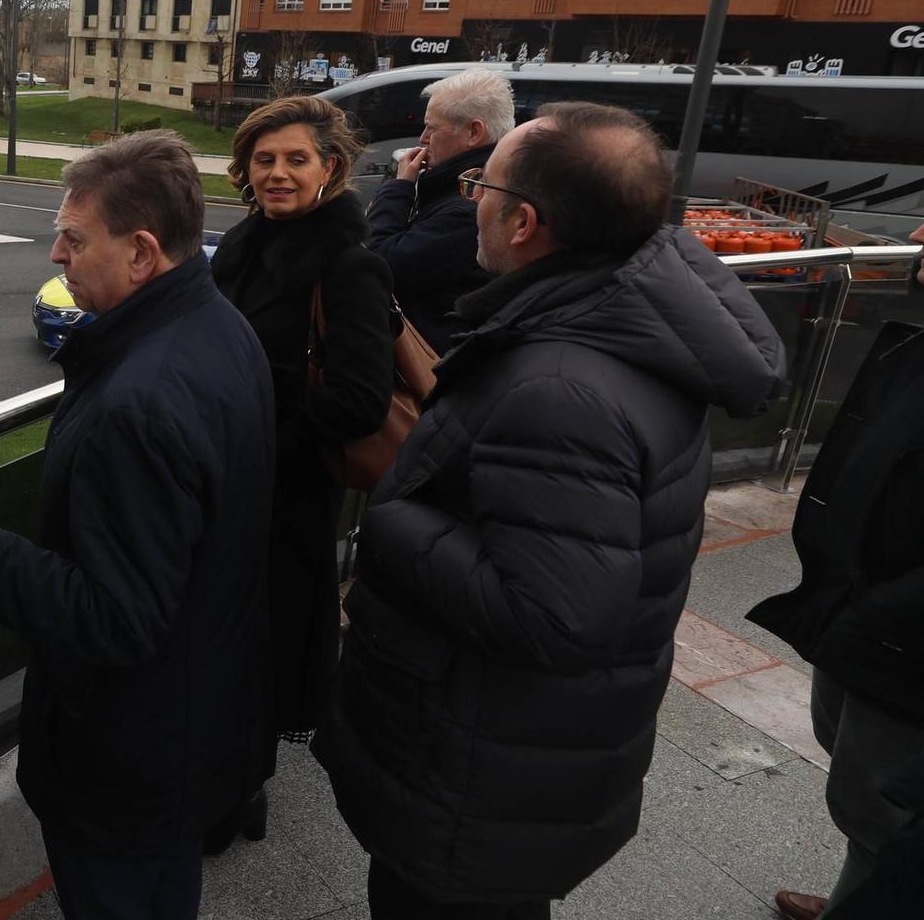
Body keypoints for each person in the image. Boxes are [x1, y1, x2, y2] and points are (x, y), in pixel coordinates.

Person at [316, 102, 788, 919]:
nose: (473, 200)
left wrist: (393, 516)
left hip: (479, 770)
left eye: (481, 184)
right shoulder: (619, 320)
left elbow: (556, 615)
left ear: (525, 221)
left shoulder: (561, 386)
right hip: (518, 757)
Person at [0, 130, 273, 920]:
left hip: (126, 761)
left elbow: (113, 618)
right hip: (193, 727)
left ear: (143, 252)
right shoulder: (221, 327)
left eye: (75, 238)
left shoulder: (140, 401)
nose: (55, 252)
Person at [208, 94, 394, 842]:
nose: (277, 173)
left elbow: (359, 400)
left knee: (262, 650)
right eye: (264, 159)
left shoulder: (350, 263)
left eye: (295, 159)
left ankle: (239, 791)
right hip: (225, 485)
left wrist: (254, 398)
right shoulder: (244, 242)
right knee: (220, 643)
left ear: (332, 168)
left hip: (285, 498)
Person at [750, 271, 924, 919]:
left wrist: (881, 618)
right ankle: (863, 880)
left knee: (880, 806)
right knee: (852, 766)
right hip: (865, 610)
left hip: (900, 637)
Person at [364, 66, 517, 353]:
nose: (422, 138)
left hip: (434, 361)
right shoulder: (476, 185)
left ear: (474, 132)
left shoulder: (469, 205)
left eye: (432, 128)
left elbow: (377, 266)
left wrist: (399, 188)